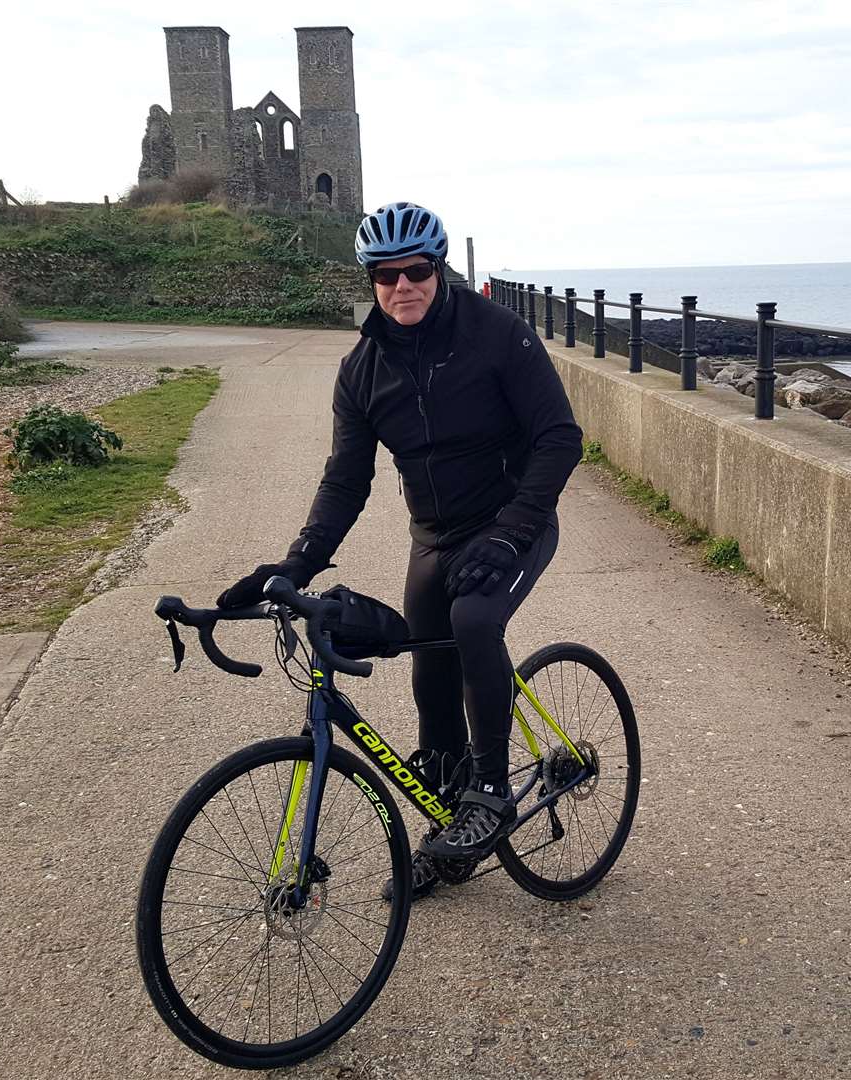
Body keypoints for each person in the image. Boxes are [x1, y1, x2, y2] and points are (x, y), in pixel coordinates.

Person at [218, 201, 582, 898]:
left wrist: (511, 532)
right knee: (429, 681)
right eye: (385, 275)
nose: (402, 286)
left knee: (475, 622)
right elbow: (346, 480)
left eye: (416, 271)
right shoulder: (362, 371)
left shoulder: (498, 335)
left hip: (513, 522)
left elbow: (559, 438)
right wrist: (293, 564)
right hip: (436, 538)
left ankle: (493, 794)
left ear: (438, 270)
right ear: (371, 281)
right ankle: (449, 843)